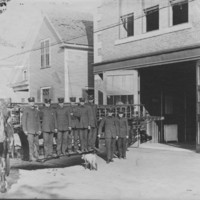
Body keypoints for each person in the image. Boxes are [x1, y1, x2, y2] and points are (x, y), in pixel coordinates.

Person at [21, 97, 41, 162]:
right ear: (28, 103)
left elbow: (38, 121)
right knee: (31, 144)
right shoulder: (26, 110)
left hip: (36, 130)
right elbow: (24, 121)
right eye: (31, 102)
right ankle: (31, 157)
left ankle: (37, 156)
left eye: (33, 102)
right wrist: (25, 130)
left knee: (37, 144)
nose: (32, 103)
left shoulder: (36, 110)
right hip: (29, 131)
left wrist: (39, 129)